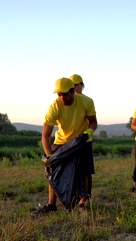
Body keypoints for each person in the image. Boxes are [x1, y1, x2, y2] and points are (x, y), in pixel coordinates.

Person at [36, 77, 98, 213]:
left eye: (65, 94)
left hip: (82, 139)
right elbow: (45, 136)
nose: (62, 97)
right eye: (59, 94)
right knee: (52, 170)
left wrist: (89, 132)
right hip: (62, 141)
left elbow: (93, 122)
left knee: (85, 171)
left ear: (73, 92)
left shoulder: (86, 102)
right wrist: (50, 156)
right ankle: (51, 205)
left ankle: (82, 203)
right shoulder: (54, 106)